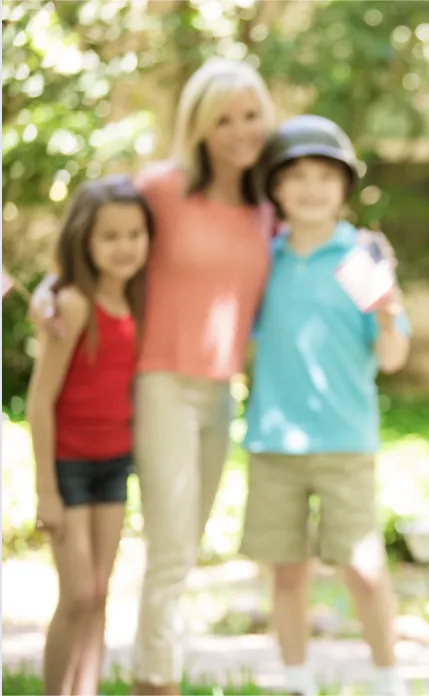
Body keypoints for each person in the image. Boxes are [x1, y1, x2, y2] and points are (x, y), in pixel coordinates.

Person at [31, 58, 277, 695]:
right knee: (170, 552)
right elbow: (94, 230)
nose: (239, 130)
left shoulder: (264, 210)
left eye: (250, 115)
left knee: (186, 550)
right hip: (160, 385)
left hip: (220, 393)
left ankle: (136, 672)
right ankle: (154, 682)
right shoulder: (162, 189)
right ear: (197, 127)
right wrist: (49, 287)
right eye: (222, 119)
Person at [238, 115, 411, 696]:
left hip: (344, 439)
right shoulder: (268, 258)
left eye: (324, 176)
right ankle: (296, 682)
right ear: (275, 189)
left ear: (344, 185)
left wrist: (388, 309)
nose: (311, 188)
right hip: (273, 442)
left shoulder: (358, 258)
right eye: (296, 176)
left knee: (363, 568)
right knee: (286, 573)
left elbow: (391, 357)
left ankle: (388, 679)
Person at [26, 176, 152, 695]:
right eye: (110, 237)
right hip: (69, 468)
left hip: (113, 463)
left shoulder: (140, 301)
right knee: (76, 594)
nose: (124, 247)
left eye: (134, 234)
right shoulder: (73, 305)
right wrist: (46, 490)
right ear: (84, 239)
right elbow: (39, 401)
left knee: (100, 593)